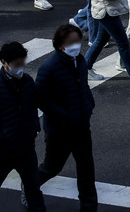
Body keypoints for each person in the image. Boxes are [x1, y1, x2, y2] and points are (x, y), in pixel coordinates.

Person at [31, 24, 97, 211]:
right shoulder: (49, 68)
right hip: (60, 130)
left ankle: (89, 207)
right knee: (52, 167)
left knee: (86, 169)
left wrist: (89, 104)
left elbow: (82, 87)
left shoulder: (80, 61)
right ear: (60, 45)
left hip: (82, 126)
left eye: (78, 41)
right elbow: (41, 99)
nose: (76, 45)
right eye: (72, 42)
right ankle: (30, 187)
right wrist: (65, 115)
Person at [0, 42, 46, 212]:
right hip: (3, 150)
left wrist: (33, 128)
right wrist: (0, 136)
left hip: (26, 146)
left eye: (23, 63)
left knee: (33, 187)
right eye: (16, 64)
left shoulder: (27, 82)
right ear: (4, 62)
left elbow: (32, 106)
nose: (21, 67)